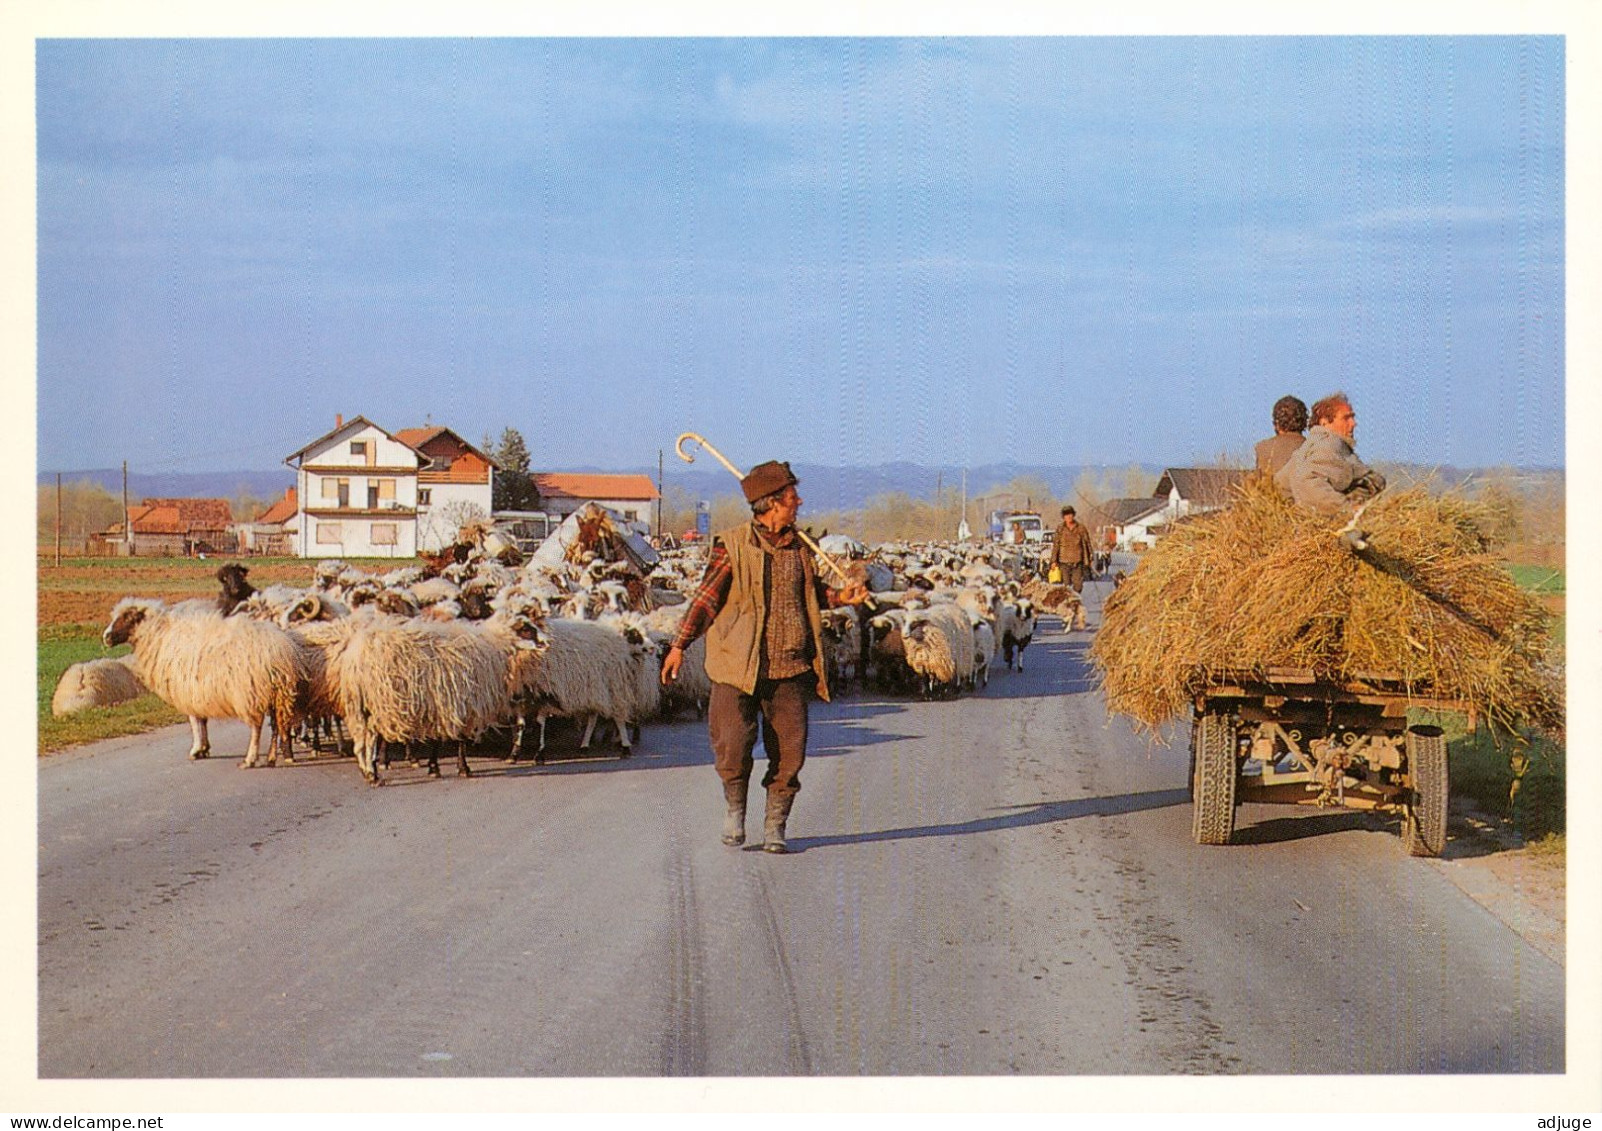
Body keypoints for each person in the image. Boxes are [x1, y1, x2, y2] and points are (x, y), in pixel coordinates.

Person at [660, 460, 870, 854]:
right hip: (737, 666)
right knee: (733, 744)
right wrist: (678, 645)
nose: (799, 503)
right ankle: (735, 809)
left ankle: (776, 824)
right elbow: (707, 600)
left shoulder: (802, 548)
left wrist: (843, 597)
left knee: (789, 753)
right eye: (792, 498)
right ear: (771, 504)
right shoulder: (733, 545)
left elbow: (812, 595)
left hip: (789, 667)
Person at [1274, 391, 1386, 514]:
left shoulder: (1309, 445)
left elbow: (1281, 483)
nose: (1353, 423)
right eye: (1346, 418)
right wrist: (1348, 508)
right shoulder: (1329, 443)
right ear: (1324, 422)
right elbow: (1306, 480)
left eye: (1352, 417)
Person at [1254, 395, 1308, 478]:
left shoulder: (1263, 448)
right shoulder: (1314, 448)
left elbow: (1259, 485)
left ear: (1276, 423)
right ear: (1304, 421)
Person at [1049, 505, 1095, 595]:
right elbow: (1056, 546)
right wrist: (1053, 561)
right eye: (1066, 515)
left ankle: (1075, 599)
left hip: (1077, 562)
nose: (1069, 517)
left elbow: (1087, 543)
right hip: (1064, 562)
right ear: (1064, 517)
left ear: (1073, 515)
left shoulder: (1081, 528)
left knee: (1078, 586)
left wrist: (1090, 557)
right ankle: (1069, 605)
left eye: (1070, 514)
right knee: (1066, 587)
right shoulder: (1060, 529)